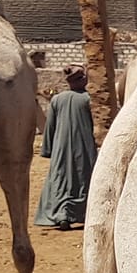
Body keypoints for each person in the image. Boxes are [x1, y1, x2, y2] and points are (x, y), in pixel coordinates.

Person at [35, 66, 98, 230]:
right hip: (84, 147)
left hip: (60, 148)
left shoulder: (57, 99)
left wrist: (48, 149)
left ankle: (62, 214)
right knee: (83, 177)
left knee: (60, 179)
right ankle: (79, 213)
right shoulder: (89, 99)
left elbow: (50, 127)